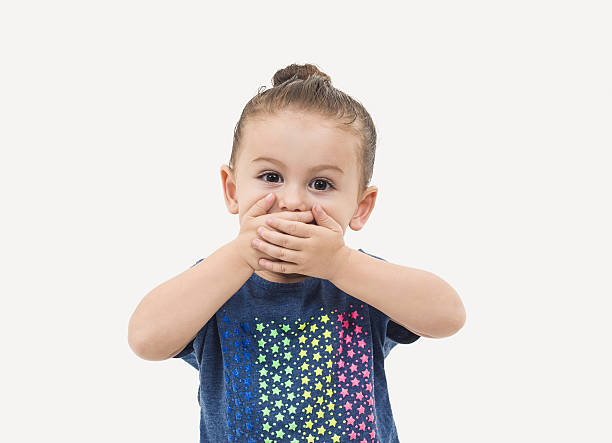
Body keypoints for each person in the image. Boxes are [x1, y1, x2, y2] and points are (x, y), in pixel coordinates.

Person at [128, 63, 466, 442]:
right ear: (232, 190)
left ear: (360, 207)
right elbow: (144, 339)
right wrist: (239, 257)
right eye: (271, 177)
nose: (291, 202)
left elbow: (448, 315)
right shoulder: (215, 284)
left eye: (321, 183)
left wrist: (340, 263)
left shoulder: (362, 280)